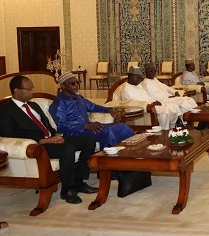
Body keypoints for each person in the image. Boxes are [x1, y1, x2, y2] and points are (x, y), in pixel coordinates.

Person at [0, 75, 98, 205]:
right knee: (68, 149)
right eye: (29, 89)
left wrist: (56, 136)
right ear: (16, 91)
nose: (32, 91)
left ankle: (78, 182)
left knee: (88, 140)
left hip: (51, 139)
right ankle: (67, 190)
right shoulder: (6, 110)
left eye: (32, 88)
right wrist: (42, 140)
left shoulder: (33, 105)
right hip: (37, 145)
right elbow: (9, 134)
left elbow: (46, 124)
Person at [49, 72, 135, 150]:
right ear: (63, 86)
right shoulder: (59, 103)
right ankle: (106, 158)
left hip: (89, 127)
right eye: (72, 83)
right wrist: (84, 126)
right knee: (108, 131)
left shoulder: (79, 98)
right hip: (75, 133)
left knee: (122, 126)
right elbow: (61, 126)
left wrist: (110, 110)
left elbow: (94, 107)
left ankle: (131, 151)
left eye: (77, 82)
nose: (76, 85)